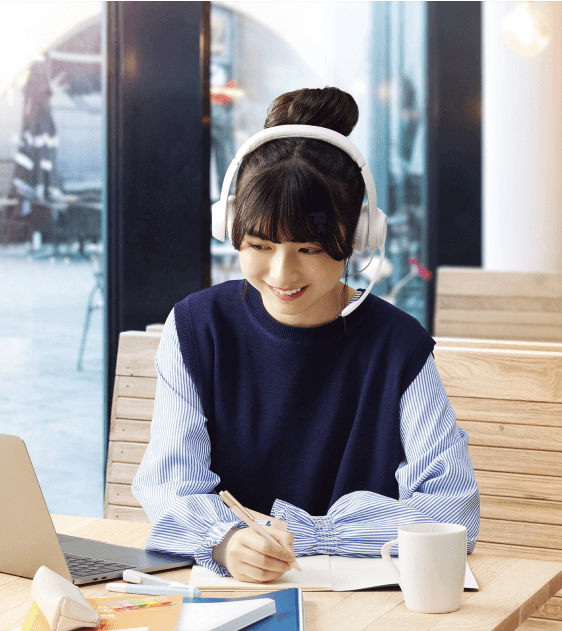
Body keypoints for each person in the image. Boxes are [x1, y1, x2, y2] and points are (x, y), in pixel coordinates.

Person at [131, 87, 480, 583]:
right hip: (232, 595)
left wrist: (313, 535)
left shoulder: (397, 345)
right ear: (230, 227)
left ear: (358, 238)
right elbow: (170, 487)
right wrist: (226, 540)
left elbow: (454, 514)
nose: (282, 273)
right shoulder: (197, 327)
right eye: (259, 244)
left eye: (310, 249)